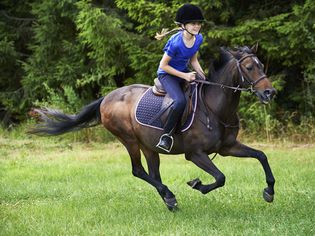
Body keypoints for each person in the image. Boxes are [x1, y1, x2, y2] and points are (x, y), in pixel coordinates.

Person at [155, 3, 206, 152]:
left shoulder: (198, 38)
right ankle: (166, 136)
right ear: (183, 25)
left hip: (184, 72)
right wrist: (185, 75)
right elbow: (163, 65)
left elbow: (193, 60)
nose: (197, 26)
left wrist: (203, 76)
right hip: (167, 75)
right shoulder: (176, 42)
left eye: (199, 23)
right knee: (179, 101)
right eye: (193, 23)